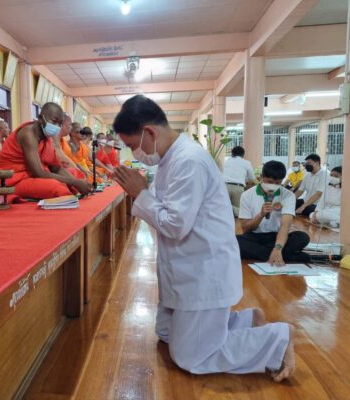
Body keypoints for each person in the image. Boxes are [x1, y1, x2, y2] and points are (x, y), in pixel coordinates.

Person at [111, 95, 294, 382]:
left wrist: (141, 193)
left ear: (149, 133)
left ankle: (276, 339)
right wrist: (144, 192)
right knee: (165, 333)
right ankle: (246, 320)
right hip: (185, 266)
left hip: (204, 270)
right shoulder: (171, 160)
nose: (135, 153)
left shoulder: (189, 161)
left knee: (190, 356)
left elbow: (175, 225)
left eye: (133, 145)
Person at [0, 102, 92, 199]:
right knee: (56, 187)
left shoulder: (47, 138)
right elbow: (39, 173)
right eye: (54, 121)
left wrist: (76, 182)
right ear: (40, 118)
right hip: (14, 180)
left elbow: (56, 168)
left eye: (60, 123)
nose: (57, 126)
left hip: (34, 177)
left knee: (74, 173)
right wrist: (75, 182)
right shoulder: (28, 134)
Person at [236, 161, 310, 264]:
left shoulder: (288, 195)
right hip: (254, 236)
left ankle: (269, 253)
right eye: (269, 182)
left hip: (276, 236)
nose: (273, 186)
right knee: (235, 241)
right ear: (261, 177)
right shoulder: (247, 195)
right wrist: (261, 215)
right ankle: (289, 256)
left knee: (302, 237)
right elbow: (245, 228)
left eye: (277, 183)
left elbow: (285, 226)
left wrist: (278, 248)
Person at [222, 146, 257, 217]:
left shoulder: (226, 162)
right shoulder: (246, 163)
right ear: (243, 154)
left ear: (232, 154)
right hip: (238, 187)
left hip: (225, 187)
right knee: (238, 213)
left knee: (224, 210)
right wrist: (244, 180)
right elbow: (252, 178)